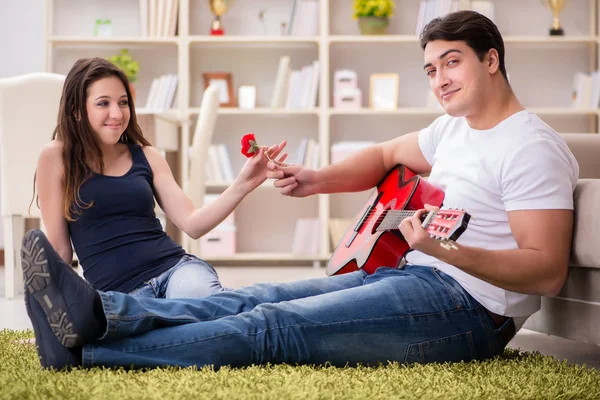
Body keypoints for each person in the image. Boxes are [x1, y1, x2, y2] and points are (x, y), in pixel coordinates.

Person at [23, 10, 579, 371]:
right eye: (430, 69)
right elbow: (386, 156)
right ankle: (100, 312)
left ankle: (89, 350)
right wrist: (314, 180)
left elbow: (546, 271)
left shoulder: (531, 147)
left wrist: (441, 249)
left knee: (271, 329)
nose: (439, 80)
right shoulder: (454, 128)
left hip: (469, 311)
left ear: (492, 60)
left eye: (451, 63)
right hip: (418, 275)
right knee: (257, 297)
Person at [28, 57, 287, 300]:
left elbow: (193, 224)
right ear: (76, 111)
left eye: (123, 102)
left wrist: (243, 184)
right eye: (103, 103)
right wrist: (48, 320)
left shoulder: (147, 155)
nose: (117, 114)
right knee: (163, 335)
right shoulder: (55, 157)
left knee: (204, 307)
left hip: (177, 272)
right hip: (121, 297)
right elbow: (60, 251)